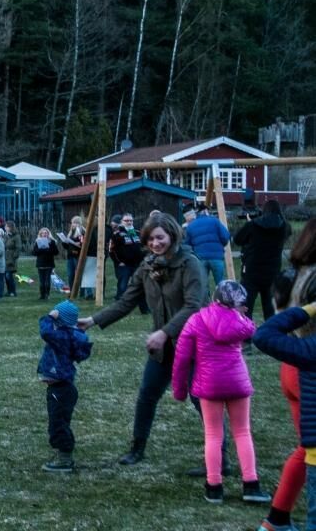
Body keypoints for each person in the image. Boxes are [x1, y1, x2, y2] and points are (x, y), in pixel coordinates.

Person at [78, 211, 210, 467]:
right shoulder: (148, 265)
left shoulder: (190, 263)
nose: (155, 244)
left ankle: (220, 457)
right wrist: (93, 321)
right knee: (147, 395)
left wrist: (164, 332)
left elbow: (194, 306)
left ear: (171, 234)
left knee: (201, 399)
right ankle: (137, 448)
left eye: (159, 238)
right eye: (150, 239)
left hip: (194, 346)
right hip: (163, 349)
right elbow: (127, 301)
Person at [172, 279, 264, 503]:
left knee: (213, 434)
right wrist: (240, 314)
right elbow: (252, 329)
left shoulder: (196, 320)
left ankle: (214, 486)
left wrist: (179, 389)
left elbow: (182, 358)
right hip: (237, 382)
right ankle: (251, 484)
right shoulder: (241, 322)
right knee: (242, 432)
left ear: (215, 298)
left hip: (209, 383)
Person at [256, 255, 316, 531]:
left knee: (307, 448)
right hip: (303, 368)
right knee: (308, 449)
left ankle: (277, 519)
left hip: (293, 366)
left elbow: (270, 328)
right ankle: (277, 519)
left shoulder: (293, 275)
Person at [38, 298, 94, 472]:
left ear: (60, 321)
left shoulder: (60, 336)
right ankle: (63, 453)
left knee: (58, 423)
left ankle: (64, 459)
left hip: (61, 389)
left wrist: (49, 317)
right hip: (62, 389)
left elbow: (45, 332)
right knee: (60, 421)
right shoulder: (69, 336)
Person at [235, 199, 290, 319]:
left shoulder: (253, 225)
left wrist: (250, 223)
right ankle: (269, 335)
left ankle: (246, 335)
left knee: (246, 309)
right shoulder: (284, 227)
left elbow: (237, 239)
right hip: (272, 273)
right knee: (270, 310)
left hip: (251, 272)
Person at [185, 204, 233, 285]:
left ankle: (206, 297)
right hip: (216, 257)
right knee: (220, 283)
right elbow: (225, 236)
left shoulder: (190, 226)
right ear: (206, 211)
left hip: (200, 258)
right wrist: (221, 246)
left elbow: (188, 244)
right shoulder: (215, 221)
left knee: (203, 284)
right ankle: (220, 297)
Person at [110, 212, 145, 307]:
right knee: (122, 286)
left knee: (140, 285)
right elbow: (111, 250)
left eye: (131, 220)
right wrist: (118, 262)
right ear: (121, 222)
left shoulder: (137, 233)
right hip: (124, 265)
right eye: (126, 220)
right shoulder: (117, 234)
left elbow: (143, 247)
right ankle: (119, 305)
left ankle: (144, 308)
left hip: (137, 264)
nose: (129, 222)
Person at [33, 227, 60, 299]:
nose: (44, 234)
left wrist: (48, 249)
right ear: (40, 234)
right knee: (41, 281)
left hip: (49, 264)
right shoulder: (37, 241)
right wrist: (41, 249)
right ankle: (42, 295)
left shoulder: (52, 242)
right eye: (43, 233)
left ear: (48, 234)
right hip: (40, 264)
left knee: (47, 280)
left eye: (46, 233)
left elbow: (56, 252)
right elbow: (34, 252)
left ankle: (47, 294)